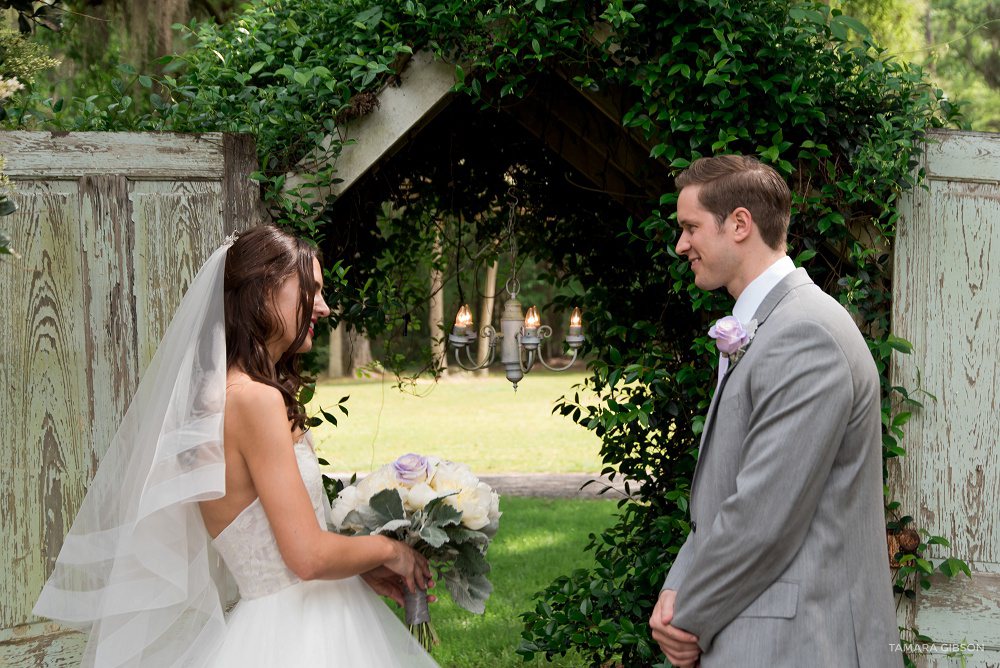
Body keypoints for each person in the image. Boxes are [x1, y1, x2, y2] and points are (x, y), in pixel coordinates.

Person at [34, 225, 439, 667]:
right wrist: (392, 550)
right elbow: (306, 557)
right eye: (312, 290)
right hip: (299, 635)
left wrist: (358, 569)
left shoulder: (220, 396)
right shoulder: (254, 399)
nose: (323, 307)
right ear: (266, 291)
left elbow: (274, 543)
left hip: (293, 617)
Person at [648, 156, 901, 667]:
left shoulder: (806, 334)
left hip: (800, 642)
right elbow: (722, 500)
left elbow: (763, 516)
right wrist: (675, 591)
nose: (681, 245)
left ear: (739, 224)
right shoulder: (772, 325)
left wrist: (688, 616)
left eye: (690, 227)